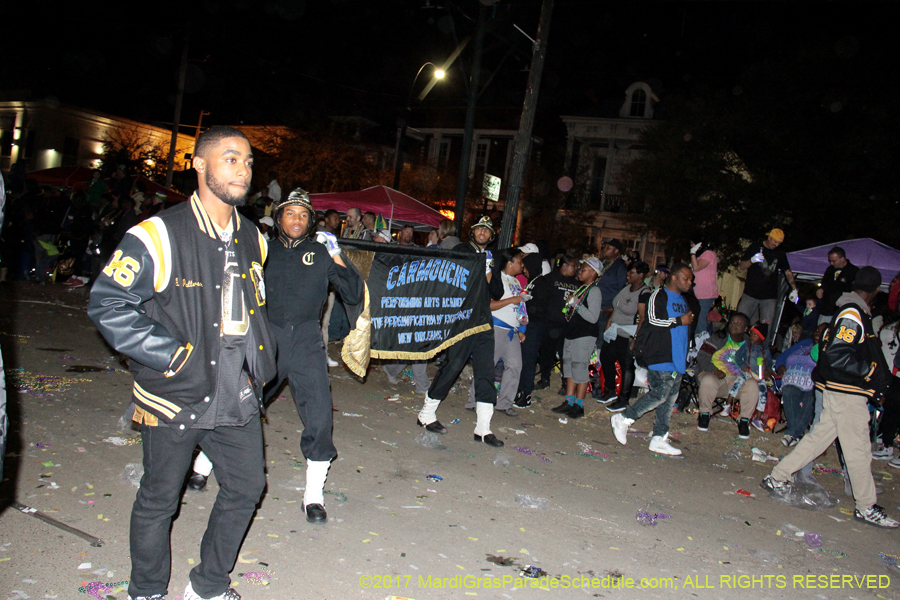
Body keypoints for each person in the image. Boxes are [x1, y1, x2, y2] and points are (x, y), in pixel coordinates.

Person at [88, 126, 277, 600]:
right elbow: (108, 304)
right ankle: (147, 589)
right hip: (175, 389)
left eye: (249, 161)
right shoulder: (158, 233)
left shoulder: (256, 237)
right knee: (159, 498)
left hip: (236, 387)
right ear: (199, 163)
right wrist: (173, 357)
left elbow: (254, 307)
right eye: (231, 158)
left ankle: (207, 586)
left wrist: (264, 359)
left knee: (247, 485)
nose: (243, 169)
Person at [761, 266, 898, 528]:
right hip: (848, 391)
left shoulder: (853, 311)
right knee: (858, 448)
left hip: (841, 390)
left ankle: (778, 476)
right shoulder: (852, 314)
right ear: (877, 291)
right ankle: (866, 506)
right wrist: (869, 373)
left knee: (818, 438)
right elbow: (838, 354)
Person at [263, 188, 363, 524]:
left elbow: (352, 292)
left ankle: (313, 495)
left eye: (304, 215)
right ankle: (205, 462)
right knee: (242, 402)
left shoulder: (321, 253)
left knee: (320, 415)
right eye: (290, 213)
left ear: (311, 222)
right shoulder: (263, 250)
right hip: (267, 337)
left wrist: (337, 255)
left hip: (306, 340)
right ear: (279, 218)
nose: (297, 220)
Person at [416, 216, 504, 447]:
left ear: (491, 235)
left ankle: (483, 428)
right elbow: (456, 280)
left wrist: (488, 270)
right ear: (472, 232)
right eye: (479, 229)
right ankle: (426, 413)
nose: (482, 233)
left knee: (486, 370)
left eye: (487, 230)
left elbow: (497, 291)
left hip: (484, 321)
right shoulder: (462, 249)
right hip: (464, 318)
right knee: (453, 366)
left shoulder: (493, 258)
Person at [610, 263, 694, 456]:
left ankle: (659, 438)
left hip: (677, 356)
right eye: (686, 278)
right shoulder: (659, 295)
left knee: (669, 399)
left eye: (691, 280)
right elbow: (653, 320)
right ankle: (623, 418)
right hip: (661, 352)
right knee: (660, 392)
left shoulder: (683, 300)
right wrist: (680, 320)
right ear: (674, 277)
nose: (690, 283)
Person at [465, 248, 528, 416]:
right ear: (509, 263)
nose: (522, 265)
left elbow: (520, 306)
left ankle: (504, 403)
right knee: (486, 366)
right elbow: (489, 305)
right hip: (496, 328)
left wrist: (522, 328)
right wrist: (512, 300)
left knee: (515, 366)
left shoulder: (516, 282)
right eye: (519, 261)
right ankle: (473, 400)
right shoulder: (496, 280)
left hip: (511, 331)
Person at [695, 313, 768, 438]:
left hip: (739, 382)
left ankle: (744, 420)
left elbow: (761, 362)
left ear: (746, 329)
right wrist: (713, 370)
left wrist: (764, 369)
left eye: (738, 323)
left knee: (752, 385)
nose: (734, 325)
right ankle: (705, 414)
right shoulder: (718, 338)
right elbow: (702, 356)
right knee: (707, 379)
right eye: (732, 322)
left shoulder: (752, 344)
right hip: (717, 377)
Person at [551, 257, 602, 418]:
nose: (580, 272)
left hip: (584, 335)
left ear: (593, 272)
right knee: (569, 368)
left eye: (584, 269)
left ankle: (579, 405)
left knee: (580, 369)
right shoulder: (582, 288)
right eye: (580, 269)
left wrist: (575, 304)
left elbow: (593, 317)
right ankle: (569, 401)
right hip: (572, 333)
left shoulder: (594, 291)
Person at [598, 261, 650, 412]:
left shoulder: (643, 293)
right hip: (615, 331)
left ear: (641, 275)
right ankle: (610, 390)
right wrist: (609, 323)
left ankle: (623, 399)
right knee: (606, 357)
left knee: (626, 366)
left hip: (628, 334)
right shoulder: (626, 288)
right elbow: (616, 308)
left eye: (632, 273)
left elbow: (642, 318)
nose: (628, 275)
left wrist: (635, 339)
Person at [737, 228, 799, 338]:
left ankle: (763, 351)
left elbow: (787, 271)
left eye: (779, 243)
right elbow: (741, 266)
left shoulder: (780, 253)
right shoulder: (756, 247)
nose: (776, 244)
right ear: (769, 237)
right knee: (740, 321)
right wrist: (751, 260)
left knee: (766, 327)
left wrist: (794, 288)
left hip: (769, 297)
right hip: (750, 293)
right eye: (775, 241)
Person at [534, 255, 579, 393]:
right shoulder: (550, 279)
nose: (576, 269)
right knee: (547, 352)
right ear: (565, 266)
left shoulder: (576, 283)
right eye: (574, 266)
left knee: (566, 355)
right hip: (550, 323)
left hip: (567, 325)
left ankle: (566, 383)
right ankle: (545, 379)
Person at [775, 324, 822, 447]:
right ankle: (796, 434)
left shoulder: (828, 349)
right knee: (789, 391)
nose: (817, 332)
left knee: (811, 398)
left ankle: (792, 434)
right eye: (816, 330)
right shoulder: (805, 343)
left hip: (813, 384)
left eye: (822, 331)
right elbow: (783, 356)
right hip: (791, 379)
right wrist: (780, 365)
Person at [595, 238, 628, 354]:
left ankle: (597, 366)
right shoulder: (600, 262)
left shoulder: (620, 267)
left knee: (601, 339)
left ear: (616, 251)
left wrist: (614, 308)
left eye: (608, 248)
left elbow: (622, 290)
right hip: (593, 307)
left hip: (605, 309)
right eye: (605, 247)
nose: (605, 250)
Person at [816, 246, 859, 325]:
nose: (831, 263)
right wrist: (821, 289)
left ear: (842, 259)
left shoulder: (854, 271)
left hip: (842, 311)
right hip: (826, 310)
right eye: (830, 261)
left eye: (834, 261)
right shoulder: (830, 269)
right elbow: (824, 283)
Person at [689, 239, 718, 335]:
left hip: (705, 294)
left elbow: (696, 267)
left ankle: (702, 342)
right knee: (696, 318)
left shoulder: (708, 254)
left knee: (700, 318)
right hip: (698, 294)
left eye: (693, 243)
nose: (692, 245)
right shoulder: (701, 256)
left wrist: (692, 253)